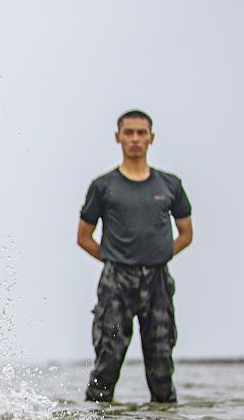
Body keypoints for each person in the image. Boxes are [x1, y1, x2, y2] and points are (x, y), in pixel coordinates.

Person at [77, 110, 193, 403]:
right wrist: (116, 260)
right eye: (128, 133)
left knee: (162, 364)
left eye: (141, 133)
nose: (135, 139)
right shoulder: (103, 186)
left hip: (158, 283)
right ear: (118, 137)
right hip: (117, 284)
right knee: (108, 359)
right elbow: (83, 237)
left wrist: (159, 255)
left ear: (151, 138)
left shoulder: (170, 185)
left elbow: (186, 233)